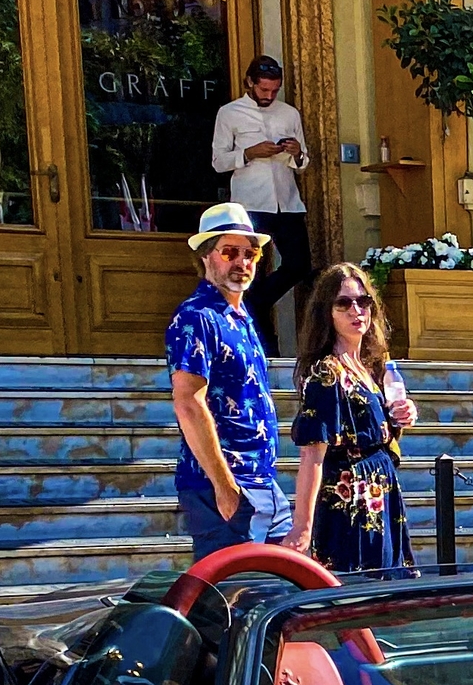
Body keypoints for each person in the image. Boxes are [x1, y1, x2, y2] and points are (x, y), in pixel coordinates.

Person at [168, 202, 288, 559]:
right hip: (223, 484)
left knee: (280, 588)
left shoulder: (239, 315)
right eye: (229, 252)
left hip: (261, 478)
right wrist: (223, 486)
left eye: (250, 253)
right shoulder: (196, 317)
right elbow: (188, 402)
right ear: (206, 256)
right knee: (231, 600)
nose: (242, 262)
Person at [287, 263, 419, 576]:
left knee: (383, 593)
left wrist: (401, 415)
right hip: (350, 499)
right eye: (343, 303)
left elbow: (375, 428)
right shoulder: (327, 374)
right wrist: (302, 528)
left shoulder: (371, 368)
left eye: (363, 302)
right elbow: (311, 454)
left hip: (380, 490)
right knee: (356, 595)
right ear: (327, 313)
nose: (356, 310)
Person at [210, 56, 311, 357]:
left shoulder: (289, 113)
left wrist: (295, 152)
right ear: (250, 83)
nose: (269, 96)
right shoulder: (229, 113)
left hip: (287, 201)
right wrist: (250, 152)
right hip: (250, 204)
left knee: (299, 265)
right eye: (264, 89)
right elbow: (218, 162)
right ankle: (264, 343)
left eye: (274, 90)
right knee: (247, 268)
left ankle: (255, 302)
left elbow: (303, 161)